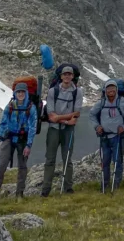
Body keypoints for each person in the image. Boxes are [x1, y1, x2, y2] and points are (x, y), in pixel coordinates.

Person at [41, 65, 83, 196]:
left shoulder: (78, 92)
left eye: (69, 74)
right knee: (50, 160)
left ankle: (68, 188)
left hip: (68, 130)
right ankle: (46, 190)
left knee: (68, 159)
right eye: (65, 74)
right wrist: (66, 119)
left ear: (72, 76)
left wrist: (60, 117)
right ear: (61, 76)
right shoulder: (53, 91)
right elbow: (51, 116)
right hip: (54, 129)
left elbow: (76, 113)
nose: (67, 76)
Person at [0, 82, 37, 199]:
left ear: (26, 93)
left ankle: (19, 194)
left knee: (22, 167)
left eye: (22, 92)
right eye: (18, 92)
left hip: (23, 140)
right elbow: (3, 123)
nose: (20, 94)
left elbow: (32, 127)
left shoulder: (31, 107)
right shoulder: (10, 106)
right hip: (9, 137)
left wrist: (29, 145)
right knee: (1, 166)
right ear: (15, 93)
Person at [89, 80, 124, 192]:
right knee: (105, 162)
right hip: (104, 137)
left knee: (118, 161)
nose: (111, 90)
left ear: (117, 89)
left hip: (118, 137)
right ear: (105, 90)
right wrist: (97, 126)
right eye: (108, 88)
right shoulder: (101, 103)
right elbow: (92, 114)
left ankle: (116, 184)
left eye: (113, 88)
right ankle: (105, 184)